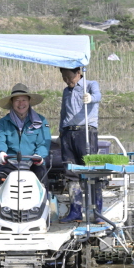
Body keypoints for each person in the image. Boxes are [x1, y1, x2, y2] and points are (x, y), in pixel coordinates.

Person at [58, 67, 102, 223]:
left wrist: (90, 98)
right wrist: (61, 131)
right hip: (68, 133)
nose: (67, 81)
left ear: (78, 73)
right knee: (71, 173)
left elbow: (98, 96)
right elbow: (64, 112)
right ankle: (75, 211)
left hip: (86, 132)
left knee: (92, 171)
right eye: (64, 77)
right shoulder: (66, 91)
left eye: (69, 77)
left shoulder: (90, 85)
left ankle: (97, 212)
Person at [0, 83, 51, 190]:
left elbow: (44, 143)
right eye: (17, 100)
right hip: (11, 163)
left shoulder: (41, 121)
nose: (21, 104)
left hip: (34, 164)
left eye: (24, 100)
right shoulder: (3, 122)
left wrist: (39, 156)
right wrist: (1, 152)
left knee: (42, 178)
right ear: (12, 102)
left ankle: (43, 204)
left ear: (29, 102)